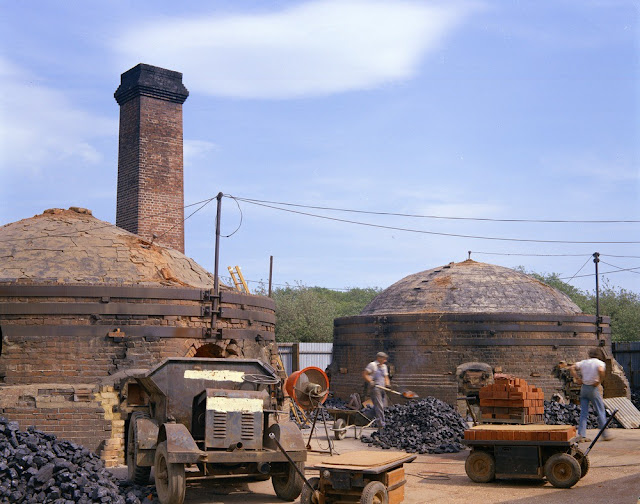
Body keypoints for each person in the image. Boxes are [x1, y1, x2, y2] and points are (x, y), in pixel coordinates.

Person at [570, 348, 612, 442]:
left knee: (584, 412)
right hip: (592, 388)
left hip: (584, 388)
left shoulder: (584, 362)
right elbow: (601, 371)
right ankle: (604, 434)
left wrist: (577, 378)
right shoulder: (600, 363)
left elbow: (572, 367)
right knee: (600, 410)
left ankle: (581, 435)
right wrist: (599, 381)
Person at [363, 352, 390, 428]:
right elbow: (365, 374)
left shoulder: (384, 367)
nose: (385, 360)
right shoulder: (372, 365)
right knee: (379, 406)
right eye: (384, 359)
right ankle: (381, 424)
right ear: (379, 358)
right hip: (375, 389)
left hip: (382, 388)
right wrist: (371, 381)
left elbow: (386, 377)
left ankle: (366, 415)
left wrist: (388, 384)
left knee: (384, 406)